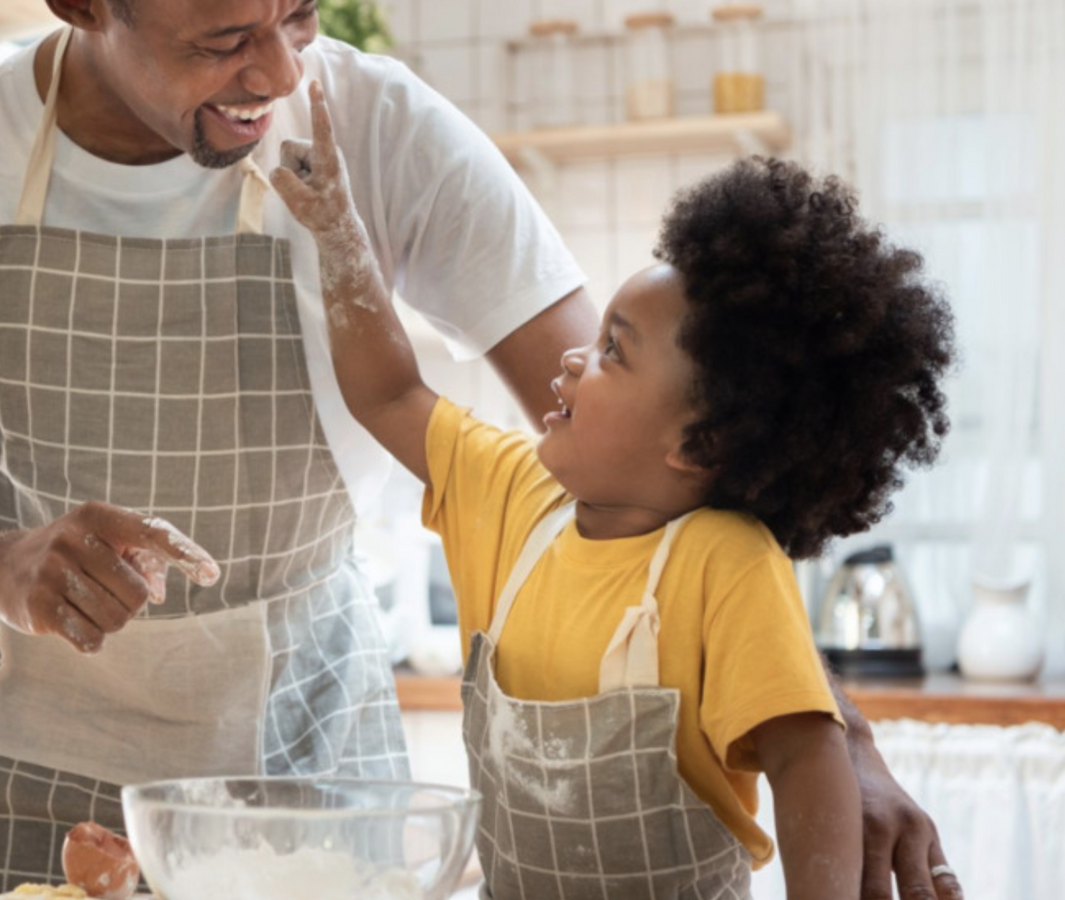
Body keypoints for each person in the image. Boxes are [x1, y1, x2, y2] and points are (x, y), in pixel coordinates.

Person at [0, 0, 958, 898]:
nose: (279, 72)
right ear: (79, 2)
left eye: (301, 14)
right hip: (37, 818)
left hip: (322, 808)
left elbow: (677, 454)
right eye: (223, 40)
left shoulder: (383, 131)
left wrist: (829, 736)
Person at [273, 103, 958, 899]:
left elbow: (807, 756)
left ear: (697, 445)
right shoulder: (511, 493)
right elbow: (389, 394)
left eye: (612, 350)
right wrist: (339, 237)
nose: (572, 359)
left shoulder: (726, 565)